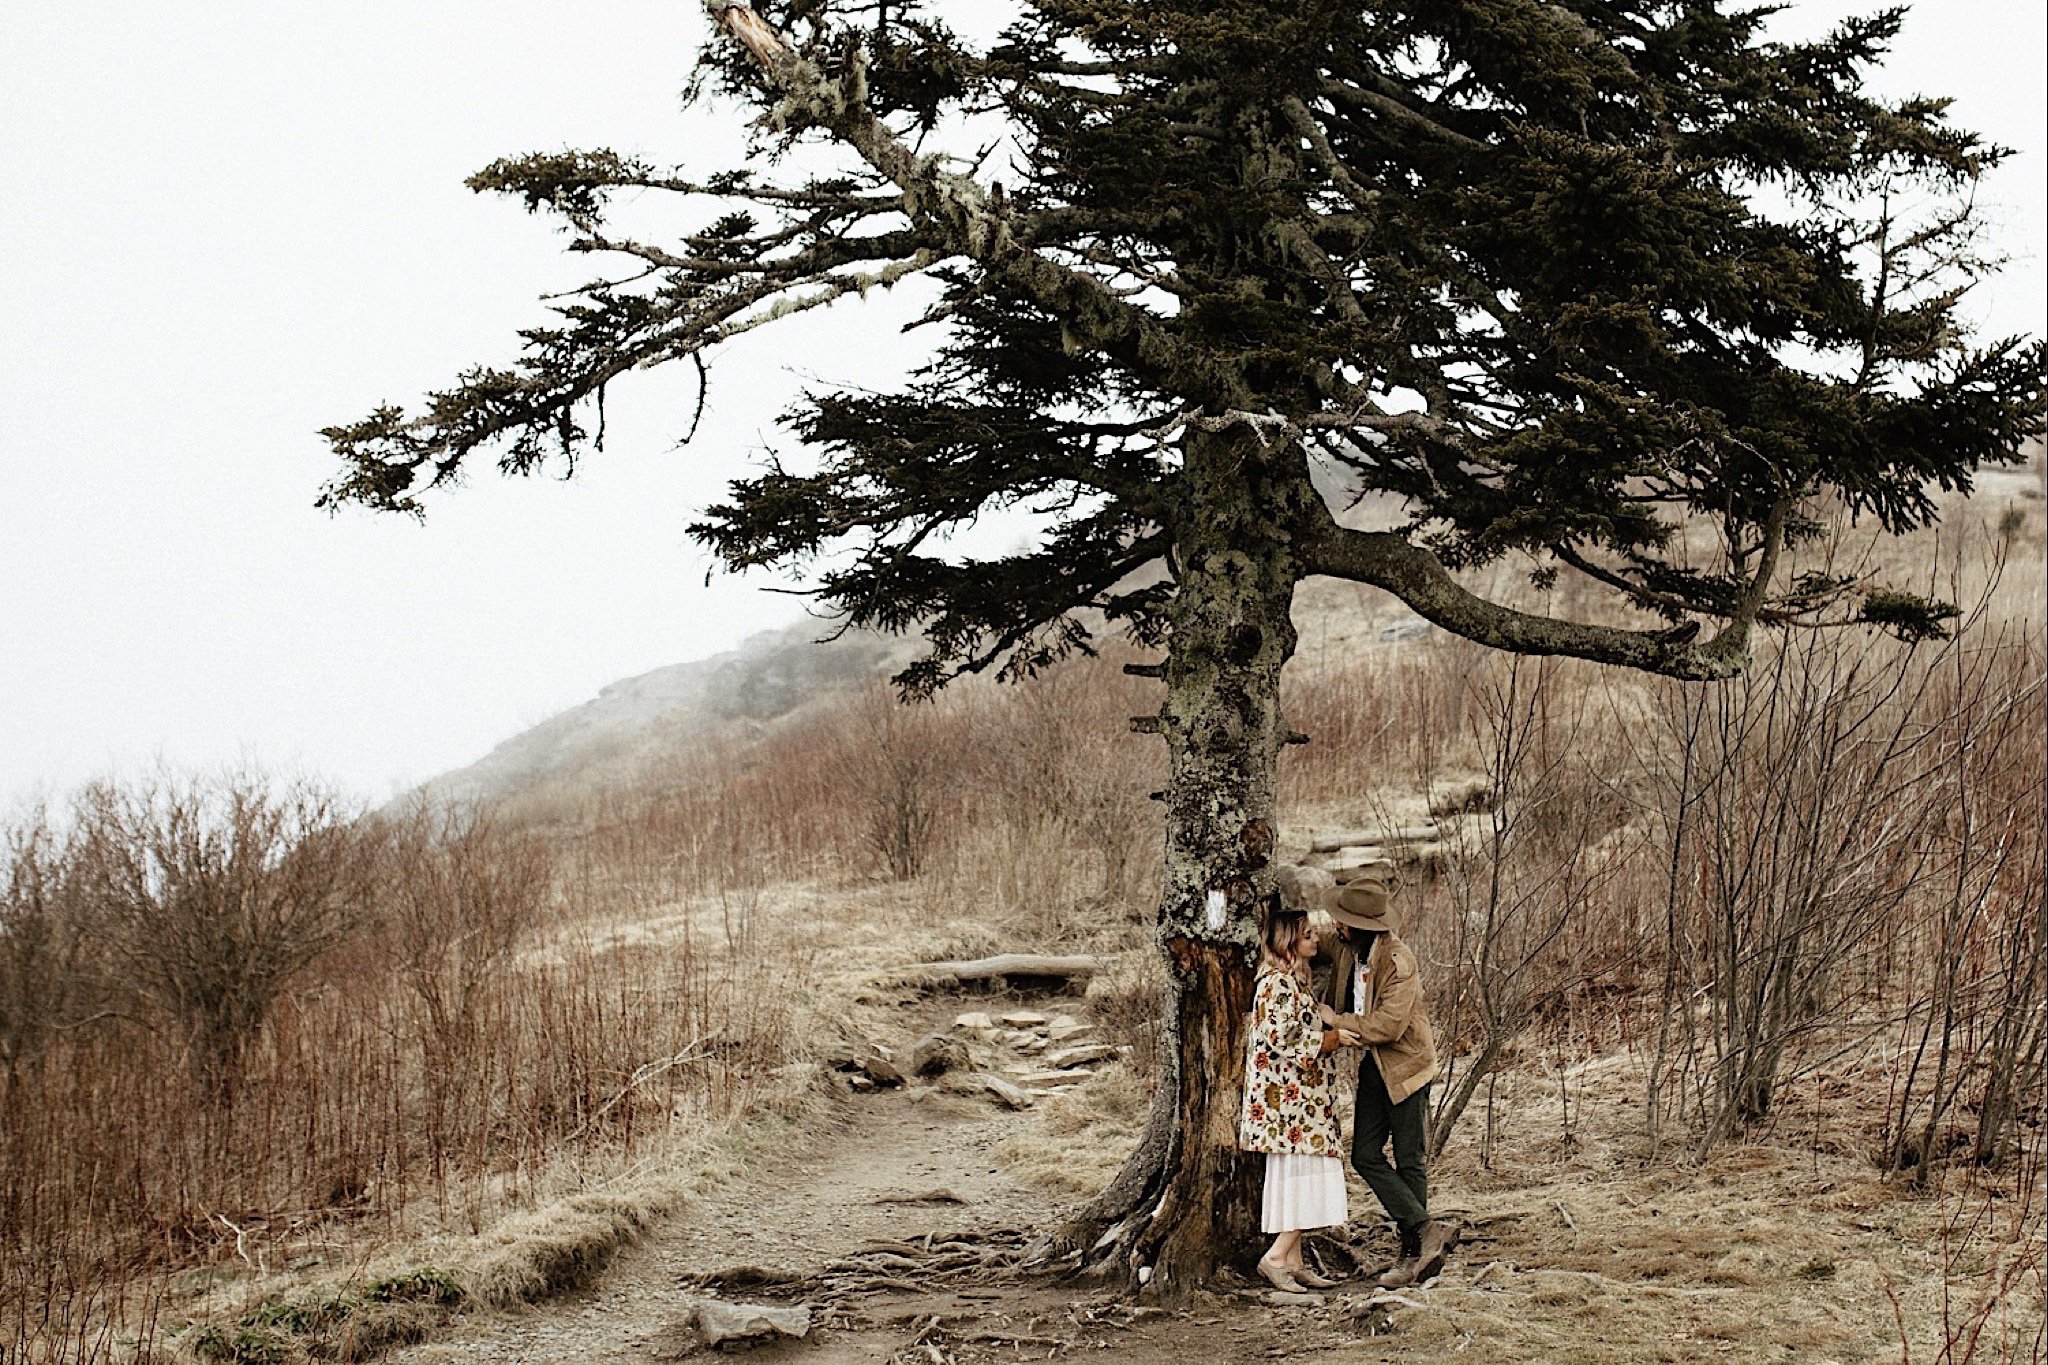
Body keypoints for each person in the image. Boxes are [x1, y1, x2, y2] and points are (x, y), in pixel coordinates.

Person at [1318, 861, 1453, 1288]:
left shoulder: (1398, 961)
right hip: (1376, 1066)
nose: (1336, 927)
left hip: (1407, 1068)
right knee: (1364, 1154)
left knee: (1410, 1158)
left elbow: (1388, 1027)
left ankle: (1413, 1251)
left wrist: (1335, 1020)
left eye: (1343, 921)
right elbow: (1307, 944)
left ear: (1361, 926)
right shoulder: (1347, 947)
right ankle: (1425, 1228)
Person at [1238, 896, 1358, 1291]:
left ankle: (1293, 1259)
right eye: (1307, 935)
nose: (1316, 939)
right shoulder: (1275, 984)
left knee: (1300, 1175)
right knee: (1307, 1172)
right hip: (1287, 1104)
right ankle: (1274, 1257)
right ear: (1289, 942)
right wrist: (1332, 1039)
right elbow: (1282, 1038)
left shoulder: (1293, 981)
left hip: (1299, 1102)